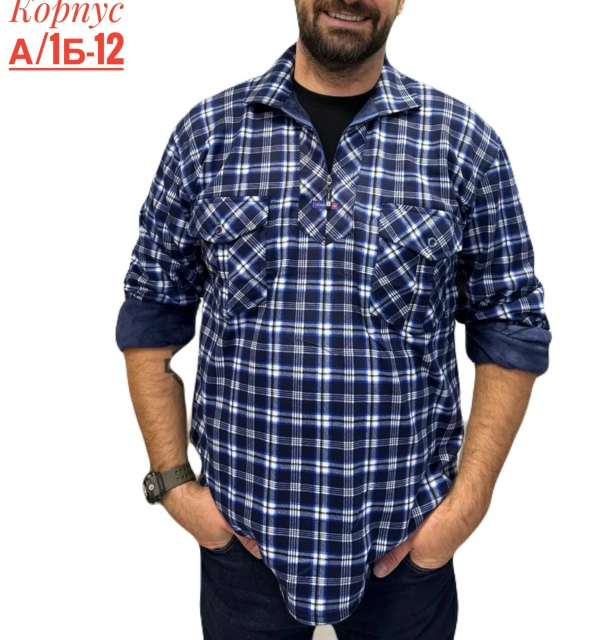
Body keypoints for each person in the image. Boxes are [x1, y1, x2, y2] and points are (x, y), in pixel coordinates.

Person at [116, 1, 551, 638]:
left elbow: (511, 323)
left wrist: (466, 505)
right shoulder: (206, 135)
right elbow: (151, 314)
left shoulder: (462, 143)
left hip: (408, 549)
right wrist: (175, 484)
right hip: (241, 547)